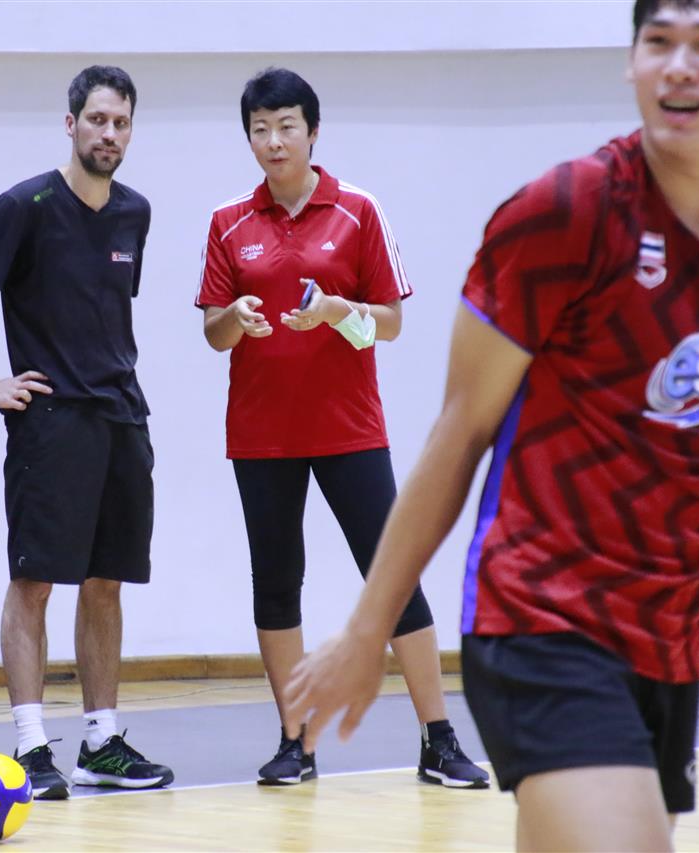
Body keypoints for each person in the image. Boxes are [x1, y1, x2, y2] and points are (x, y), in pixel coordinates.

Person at [285, 1, 699, 848]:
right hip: (540, 617)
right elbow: (458, 434)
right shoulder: (567, 211)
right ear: (632, 59)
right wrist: (366, 628)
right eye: (659, 41)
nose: (679, 65)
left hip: (669, 634)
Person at [195, 67, 489, 789]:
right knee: (276, 583)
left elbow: (389, 323)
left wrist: (334, 311)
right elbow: (212, 332)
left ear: (313, 131)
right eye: (260, 129)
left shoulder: (358, 210)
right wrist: (236, 317)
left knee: (392, 574)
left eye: (286, 126)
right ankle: (295, 742)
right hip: (260, 434)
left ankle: (439, 738)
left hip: (350, 430)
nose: (273, 141)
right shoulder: (228, 221)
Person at [0, 65, 173, 800]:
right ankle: (32, 746)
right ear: (71, 124)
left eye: (120, 122)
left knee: (105, 582)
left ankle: (102, 743)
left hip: (122, 418)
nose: (108, 133)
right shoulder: (25, 206)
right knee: (34, 581)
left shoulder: (135, 212)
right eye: (97, 119)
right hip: (52, 425)